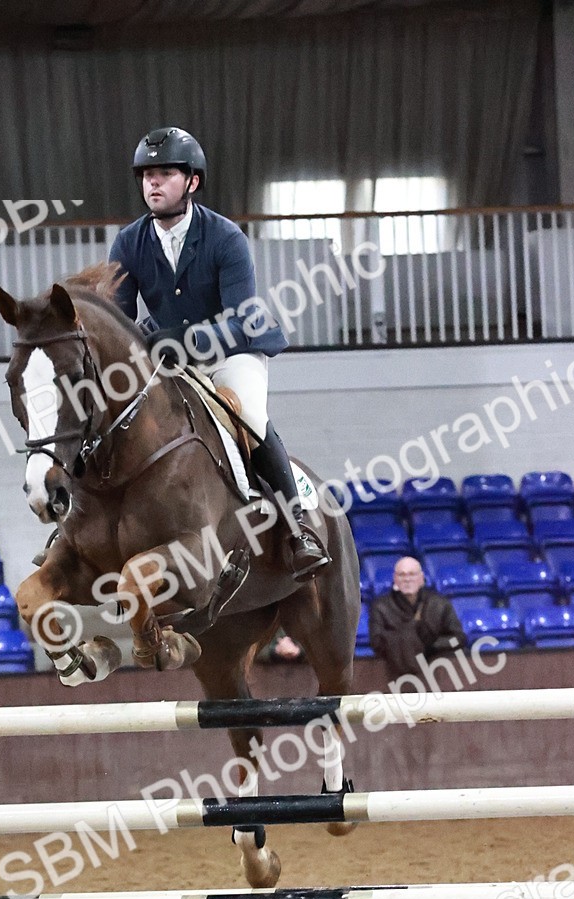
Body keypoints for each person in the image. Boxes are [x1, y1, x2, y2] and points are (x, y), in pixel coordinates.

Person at [108, 125, 330, 581]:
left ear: (192, 182)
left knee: (248, 414)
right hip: (169, 353)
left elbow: (239, 318)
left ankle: (297, 529)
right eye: (147, 174)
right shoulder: (129, 242)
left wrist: (180, 340)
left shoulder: (225, 237)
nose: (153, 182)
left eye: (166, 173)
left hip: (234, 348)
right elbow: (121, 321)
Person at [369, 556, 466, 681]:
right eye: (402, 575)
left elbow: (459, 638)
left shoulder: (440, 604)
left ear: (421, 578)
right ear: (395, 579)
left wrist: (431, 646)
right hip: (392, 677)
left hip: (437, 675)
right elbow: (376, 642)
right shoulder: (380, 606)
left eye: (412, 574)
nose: (407, 579)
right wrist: (409, 641)